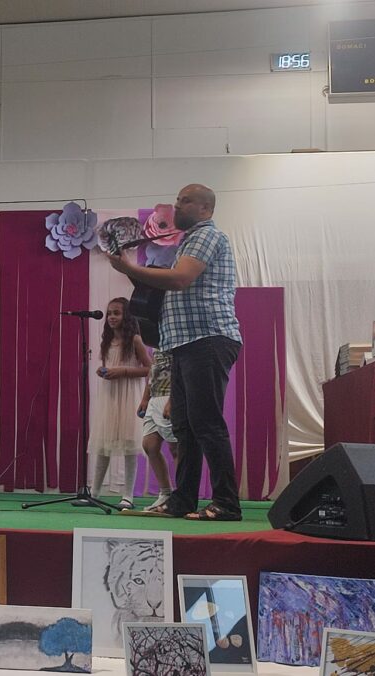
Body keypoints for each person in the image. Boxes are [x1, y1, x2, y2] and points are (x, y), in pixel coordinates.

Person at [108, 183, 243, 521]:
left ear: (206, 209)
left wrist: (129, 269)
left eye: (186, 201)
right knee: (184, 426)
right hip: (185, 343)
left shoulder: (206, 236)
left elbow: (180, 280)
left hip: (208, 338)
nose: (177, 205)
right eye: (177, 200)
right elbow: (172, 285)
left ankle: (226, 503)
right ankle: (182, 501)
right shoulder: (187, 242)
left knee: (206, 423)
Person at [85, 297, 152, 510]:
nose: (112, 317)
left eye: (117, 313)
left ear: (126, 316)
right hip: (110, 396)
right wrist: (103, 371)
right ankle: (94, 493)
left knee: (129, 444)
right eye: (109, 313)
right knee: (103, 444)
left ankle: (128, 495)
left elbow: (150, 369)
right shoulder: (107, 340)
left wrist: (123, 371)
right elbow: (110, 365)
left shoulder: (135, 340)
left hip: (128, 395)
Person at [135, 348, 179, 509]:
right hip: (155, 396)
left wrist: (173, 400)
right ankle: (165, 493)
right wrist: (145, 398)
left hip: (170, 395)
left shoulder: (178, 342)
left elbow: (181, 370)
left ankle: (182, 494)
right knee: (149, 445)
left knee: (176, 447)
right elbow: (153, 369)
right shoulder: (157, 344)